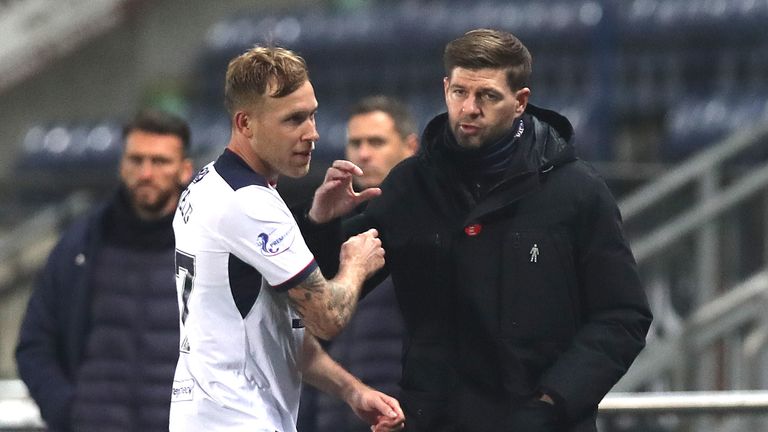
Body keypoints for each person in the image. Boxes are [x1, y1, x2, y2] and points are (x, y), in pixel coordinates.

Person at [298, 29, 653, 431]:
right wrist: (322, 222)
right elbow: (329, 286)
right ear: (445, 88)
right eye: (459, 93)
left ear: (520, 102)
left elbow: (622, 317)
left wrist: (551, 405)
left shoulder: (576, 192)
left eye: (487, 96)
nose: (469, 108)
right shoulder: (412, 186)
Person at [168, 45, 405, 432]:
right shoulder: (250, 203)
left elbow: (277, 332)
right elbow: (328, 318)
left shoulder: (207, 183)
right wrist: (355, 265)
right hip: (238, 419)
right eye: (293, 119)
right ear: (245, 124)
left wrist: (352, 391)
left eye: (312, 115)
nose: (312, 133)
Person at [15, 109, 195, 432]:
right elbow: (34, 342)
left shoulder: (209, 247)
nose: (146, 173)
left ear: (184, 170)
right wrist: (68, 410)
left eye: (160, 162)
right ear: (121, 166)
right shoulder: (80, 246)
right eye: (136, 160)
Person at [298, 95, 418, 432]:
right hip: (332, 413)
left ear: (410, 147)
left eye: (377, 142)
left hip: (397, 414)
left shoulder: (426, 228)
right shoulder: (328, 233)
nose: (364, 153)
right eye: (356, 142)